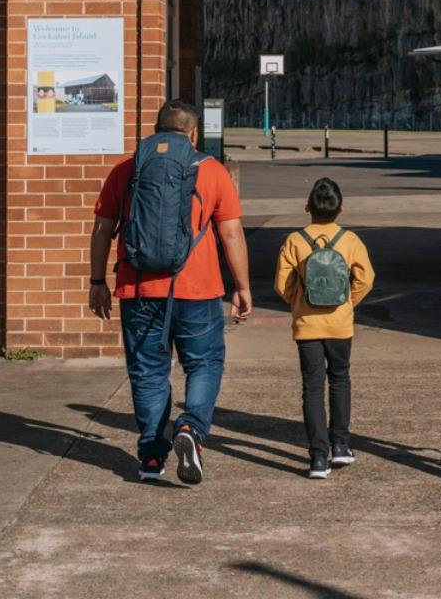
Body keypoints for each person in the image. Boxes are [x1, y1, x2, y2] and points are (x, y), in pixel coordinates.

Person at [87, 100, 252, 485]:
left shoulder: (127, 171)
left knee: (147, 371)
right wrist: (241, 287)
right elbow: (231, 233)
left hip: (139, 288)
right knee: (204, 364)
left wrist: (97, 282)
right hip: (198, 290)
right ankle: (191, 428)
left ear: (157, 130)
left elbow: (101, 229)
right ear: (194, 134)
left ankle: (150, 458)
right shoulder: (212, 171)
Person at [273, 177, 375, 479]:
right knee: (340, 380)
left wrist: (300, 302)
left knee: (312, 388)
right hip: (340, 325)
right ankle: (341, 446)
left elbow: (282, 284)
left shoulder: (294, 240)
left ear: (307, 206)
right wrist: (347, 303)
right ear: (340, 208)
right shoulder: (350, 240)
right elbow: (366, 279)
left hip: (307, 326)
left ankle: (318, 458)